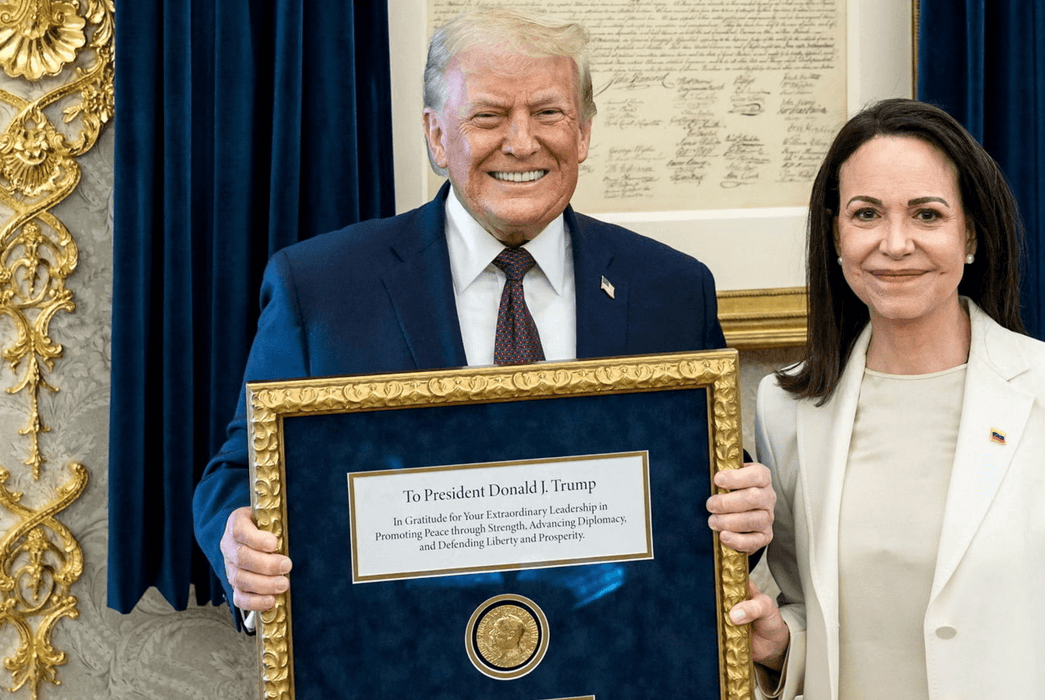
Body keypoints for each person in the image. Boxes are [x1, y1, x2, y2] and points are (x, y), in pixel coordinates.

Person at [192, 7, 774, 624]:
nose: (522, 143)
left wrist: (746, 514)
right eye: (489, 116)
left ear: (583, 132)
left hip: (614, 656)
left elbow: (707, 483)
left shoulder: (671, 289)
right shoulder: (321, 288)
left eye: (549, 113)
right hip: (399, 657)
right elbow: (241, 472)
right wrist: (239, 541)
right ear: (437, 136)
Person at [735, 99, 1045, 699]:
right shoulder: (786, 405)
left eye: (927, 215)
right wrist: (783, 645)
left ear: (972, 237)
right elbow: (809, 605)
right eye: (866, 214)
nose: (895, 243)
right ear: (835, 234)